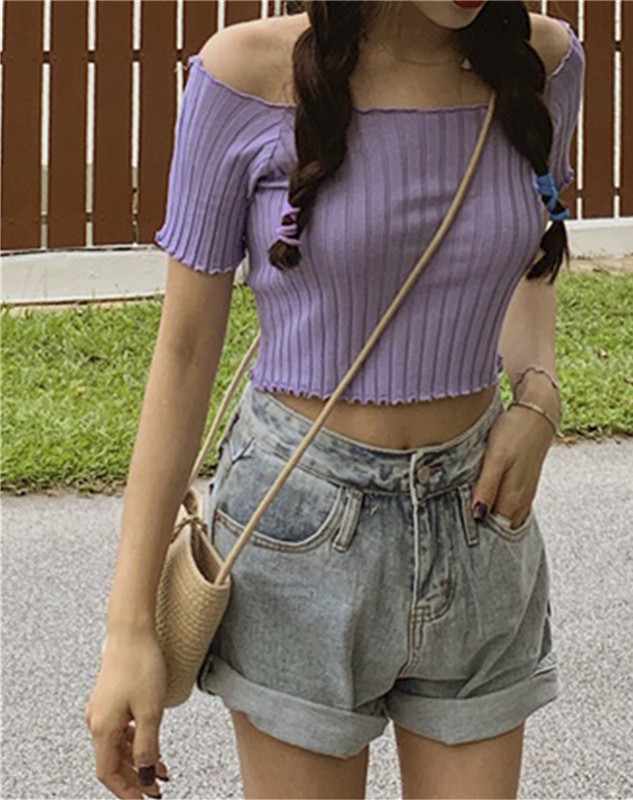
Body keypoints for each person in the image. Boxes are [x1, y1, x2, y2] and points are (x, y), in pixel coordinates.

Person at [84, 1, 585, 798]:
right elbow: (183, 354)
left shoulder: (545, 62)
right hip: (301, 530)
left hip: (480, 524)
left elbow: (533, 249)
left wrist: (538, 393)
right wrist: (129, 629)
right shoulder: (243, 76)